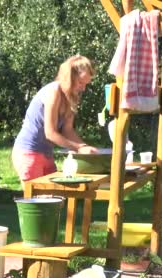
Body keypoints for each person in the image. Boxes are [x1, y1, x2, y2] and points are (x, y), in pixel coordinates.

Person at [12, 55, 99, 183]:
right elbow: (50, 133)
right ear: (70, 77)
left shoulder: (71, 97)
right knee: (37, 201)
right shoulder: (53, 92)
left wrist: (85, 147)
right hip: (28, 153)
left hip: (46, 155)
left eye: (86, 84)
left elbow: (67, 131)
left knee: (56, 199)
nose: (83, 88)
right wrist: (79, 149)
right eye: (81, 82)